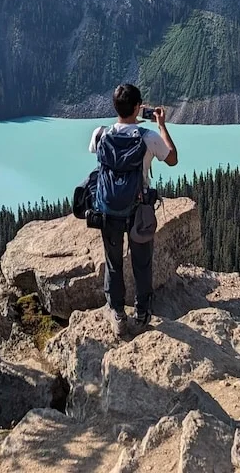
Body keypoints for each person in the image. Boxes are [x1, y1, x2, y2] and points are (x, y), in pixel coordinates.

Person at [89, 82, 178, 337]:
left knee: (113, 263)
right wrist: (161, 125)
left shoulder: (100, 134)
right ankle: (142, 314)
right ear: (139, 108)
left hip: (108, 210)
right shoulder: (147, 137)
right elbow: (172, 158)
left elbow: (96, 154)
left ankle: (116, 313)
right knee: (141, 263)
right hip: (138, 210)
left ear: (115, 107)